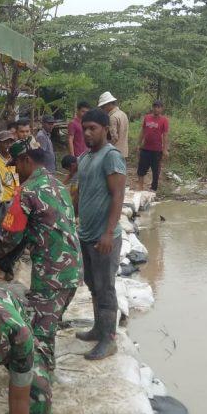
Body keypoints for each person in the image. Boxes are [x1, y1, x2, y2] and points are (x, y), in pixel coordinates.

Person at [0, 139, 81, 411]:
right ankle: (44, 387)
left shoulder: (28, 191)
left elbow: (10, 236)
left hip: (51, 276)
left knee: (39, 343)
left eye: (16, 166)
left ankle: (36, 409)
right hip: (72, 272)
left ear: (26, 161)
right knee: (47, 332)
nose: (16, 172)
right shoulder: (57, 185)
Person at [74, 108, 127, 360]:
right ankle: (98, 328)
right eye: (84, 128)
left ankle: (109, 339)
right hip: (86, 234)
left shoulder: (111, 157)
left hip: (104, 237)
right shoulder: (84, 158)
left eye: (92, 128)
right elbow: (81, 192)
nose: (87, 133)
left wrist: (108, 233)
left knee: (106, 288)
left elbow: (118, 195)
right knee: (93, 284)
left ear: (105, 129)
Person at [137, 100, 170, 192]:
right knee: (141, 169)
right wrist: (138, 144)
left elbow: (165, 135)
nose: (156, 109)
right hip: (145, 148)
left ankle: (153, 189)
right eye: (155, 107)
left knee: (156, 171)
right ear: (152, 108)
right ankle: (140, 188)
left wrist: (165, 149)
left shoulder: (164, 120)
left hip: (157, 150)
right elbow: (143, 131)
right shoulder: (147, 118)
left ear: (162, 108)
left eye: (158, 107)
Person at [98, 91, 129, 158]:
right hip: (123, 151)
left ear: (109, 104)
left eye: (103, 107)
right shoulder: (123, 114)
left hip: (114, 153)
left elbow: (114, 138)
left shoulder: (112, 117)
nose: (102, 109)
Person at [0, 129, 19, 203]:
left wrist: (17, 190)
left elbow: (17, 179)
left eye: (11, 142)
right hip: (3, 203)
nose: (9, 145)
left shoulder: (15, 160)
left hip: (17, 200)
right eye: (5, 142)